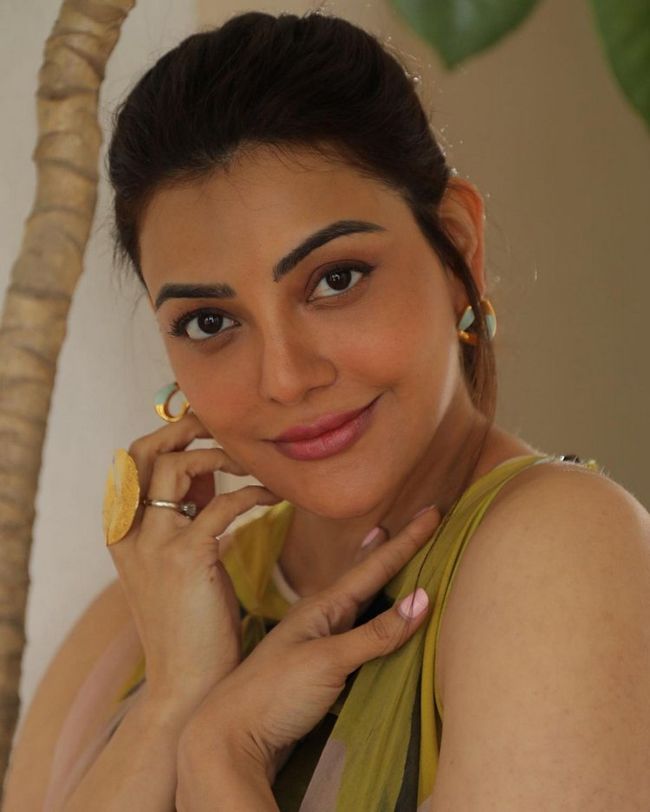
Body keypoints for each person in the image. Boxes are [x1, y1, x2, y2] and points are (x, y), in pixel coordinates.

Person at [4, 10, 650, 812]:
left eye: (335, 280)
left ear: (458, 246)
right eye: (209, 322)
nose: (285, 377)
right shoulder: (142, 624)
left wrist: (220, 759)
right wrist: (172, 699)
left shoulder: (561, 552)